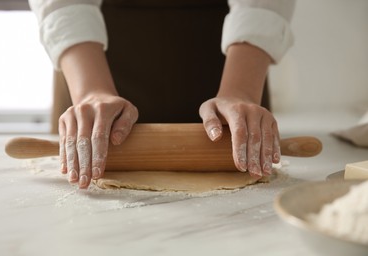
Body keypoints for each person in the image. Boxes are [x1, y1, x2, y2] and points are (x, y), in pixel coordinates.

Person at [28, 0, 295, 189]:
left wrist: (241, 91)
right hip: (91, 57)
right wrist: (91, 91)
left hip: (229, 59)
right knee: (90, 140)